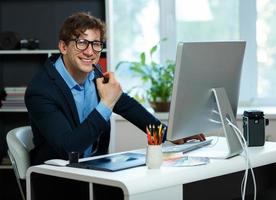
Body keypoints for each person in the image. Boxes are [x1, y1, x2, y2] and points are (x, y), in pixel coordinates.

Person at [25, 12, 204, 200]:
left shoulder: (94, 74)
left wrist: (171, 134)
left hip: (93, 172)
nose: (90, 52)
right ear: (63, 47)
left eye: (96, 44)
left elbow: (128, 106)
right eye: (81, 42)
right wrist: (106, 103)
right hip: (58, 183)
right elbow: (68, 147)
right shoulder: (41, 90)